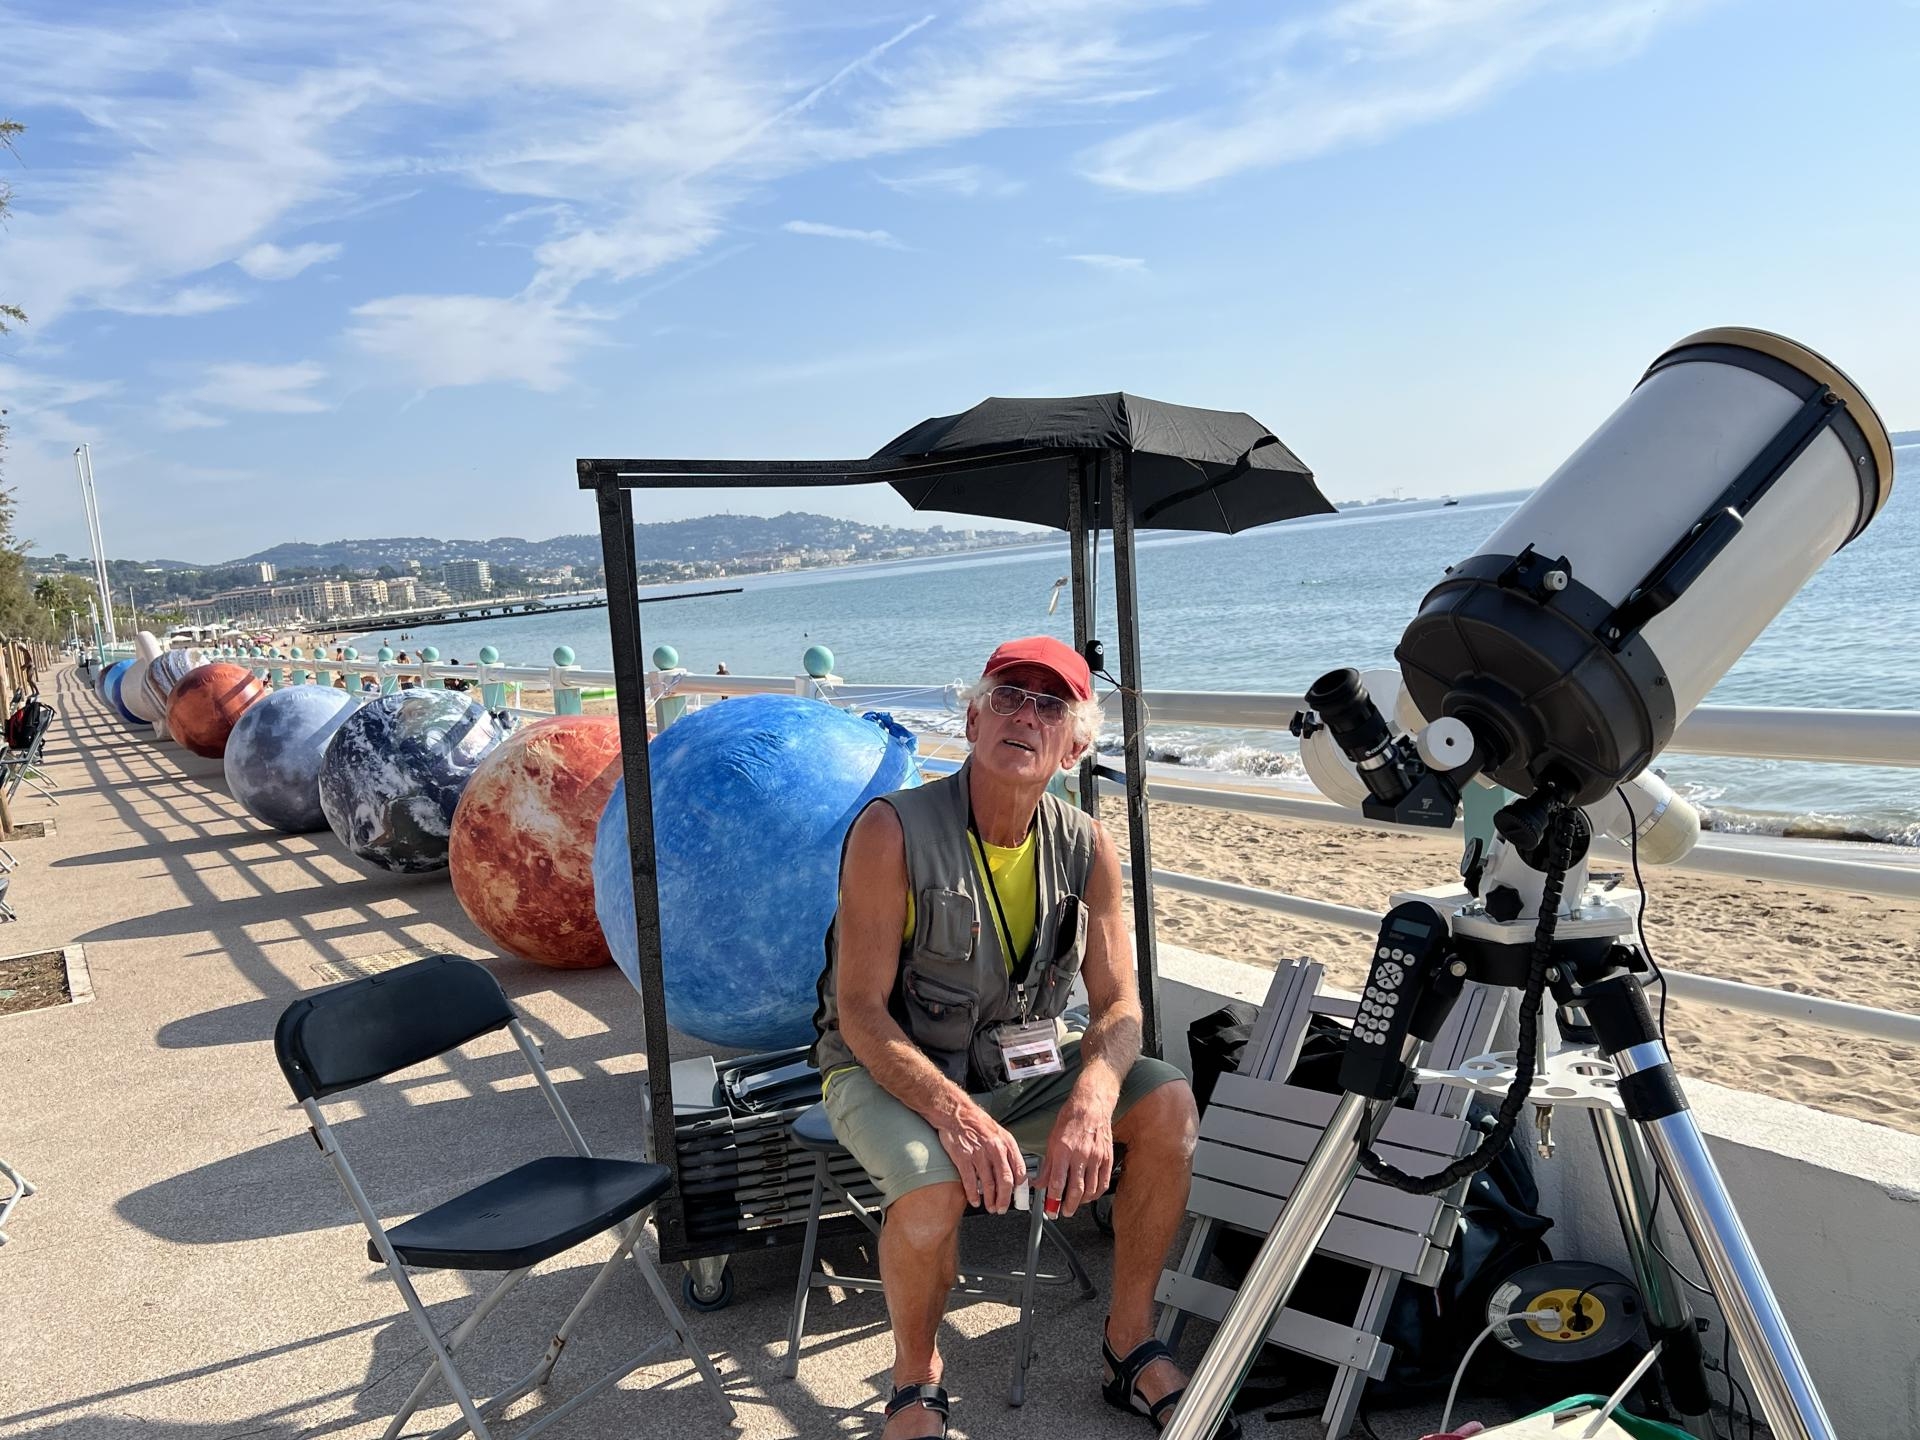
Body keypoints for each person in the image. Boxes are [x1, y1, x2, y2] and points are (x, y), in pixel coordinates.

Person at [813, 636, 1221, 1439]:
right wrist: (957, 1116)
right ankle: (915, 1380)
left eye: (1050, 705)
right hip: (887, 1068)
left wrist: (1093, 1101)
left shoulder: (1088, 845)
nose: (1025, 716)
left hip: (1016, 1064)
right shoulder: (891, 830)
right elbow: (859, 1012)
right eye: (1007, 696)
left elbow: (1120, 1004)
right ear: (972, 721)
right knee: (932, 1188)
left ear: (1074, 746)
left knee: (1168, 1104)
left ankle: (1129, 1344)